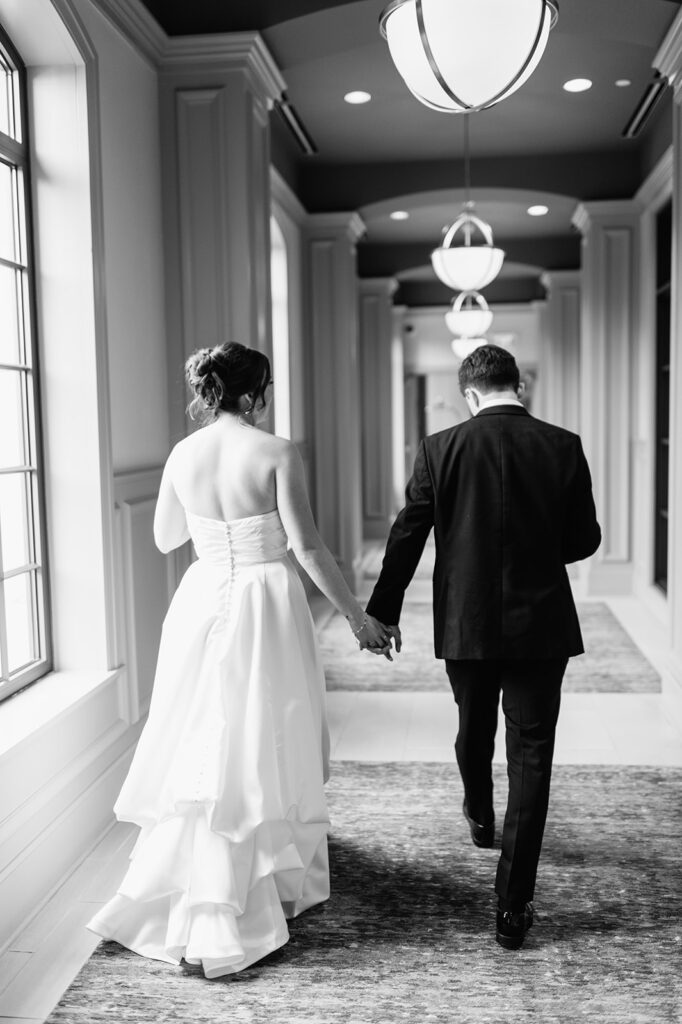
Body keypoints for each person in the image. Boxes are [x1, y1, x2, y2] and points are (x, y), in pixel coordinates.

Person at [87, 341, 391, 978]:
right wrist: (358, 618)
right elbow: (307, 549)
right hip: (263, 599)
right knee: (260, 729)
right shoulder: (276, 451)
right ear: (253, 394)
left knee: (202, 731)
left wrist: (211, 521)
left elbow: (167, 537)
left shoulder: (182, 453)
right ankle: (252, 886)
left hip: (201, 593)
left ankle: (197, 886)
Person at [366, 344, 601, 950]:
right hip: (540, 624)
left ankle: (477, 810)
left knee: (473, 729)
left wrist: (382, 610)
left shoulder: (439, 448)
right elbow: (584, 540)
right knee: (532, 755)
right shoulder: (563, 445)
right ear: (517, 385)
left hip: (466, 624)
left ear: (470, 394)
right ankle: (513, 906)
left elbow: (408, 534)